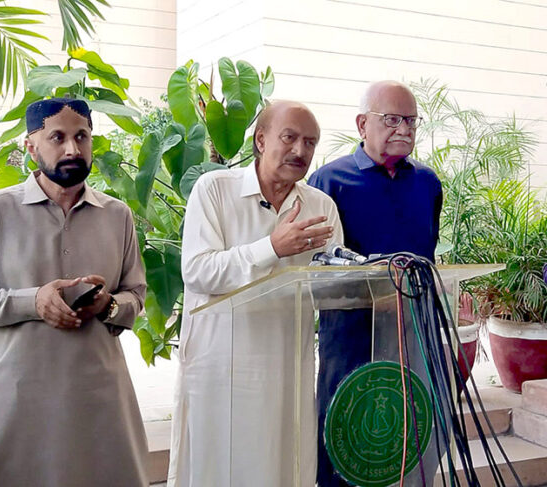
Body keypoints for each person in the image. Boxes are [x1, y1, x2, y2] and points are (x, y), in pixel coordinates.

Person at [0, 98, 148, 486]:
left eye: (82, 137)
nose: (72, 149)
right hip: (16, 398)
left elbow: (135, 296)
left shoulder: (117, 215)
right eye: (57, 137)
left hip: (97, 396)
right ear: (31, 145)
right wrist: (34, 301)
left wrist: (109, 306)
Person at [168, 100, 343, 486]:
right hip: (221, 372)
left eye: (310, 143)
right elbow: (198, 271)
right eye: (290, 137)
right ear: (261, 140)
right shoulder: (214, 190)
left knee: (281, 470)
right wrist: (272, 248)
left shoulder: (320, 207)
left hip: (286, 372)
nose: (300, 151)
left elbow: (331, 288)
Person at [308, 80, 443, 486]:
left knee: (412, 434)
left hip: (415, 329)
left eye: (412, 121)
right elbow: (319, 268)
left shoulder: (428, 183)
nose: (404, 129)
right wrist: (373, 292)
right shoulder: (328, 182)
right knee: (344, 435)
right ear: (362, 124)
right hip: (351, 337)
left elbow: (428, 253)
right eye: (392, 119)